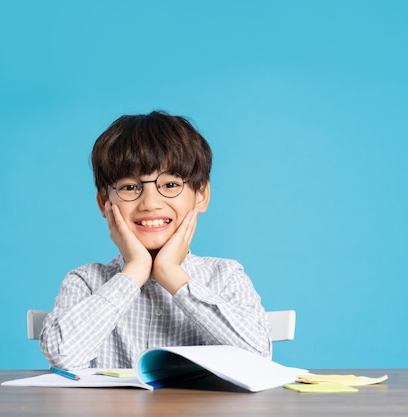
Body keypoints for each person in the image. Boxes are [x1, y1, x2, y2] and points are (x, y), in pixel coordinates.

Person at [40, 110, 271, 369]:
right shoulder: (85, 282)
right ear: (104, 203)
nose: (150, 203)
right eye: (130, 187)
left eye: (170, 185)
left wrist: (171, 273)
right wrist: (134, 272)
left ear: (202, 194)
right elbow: (62, 355)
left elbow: (258, 356)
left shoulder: (225, 276)